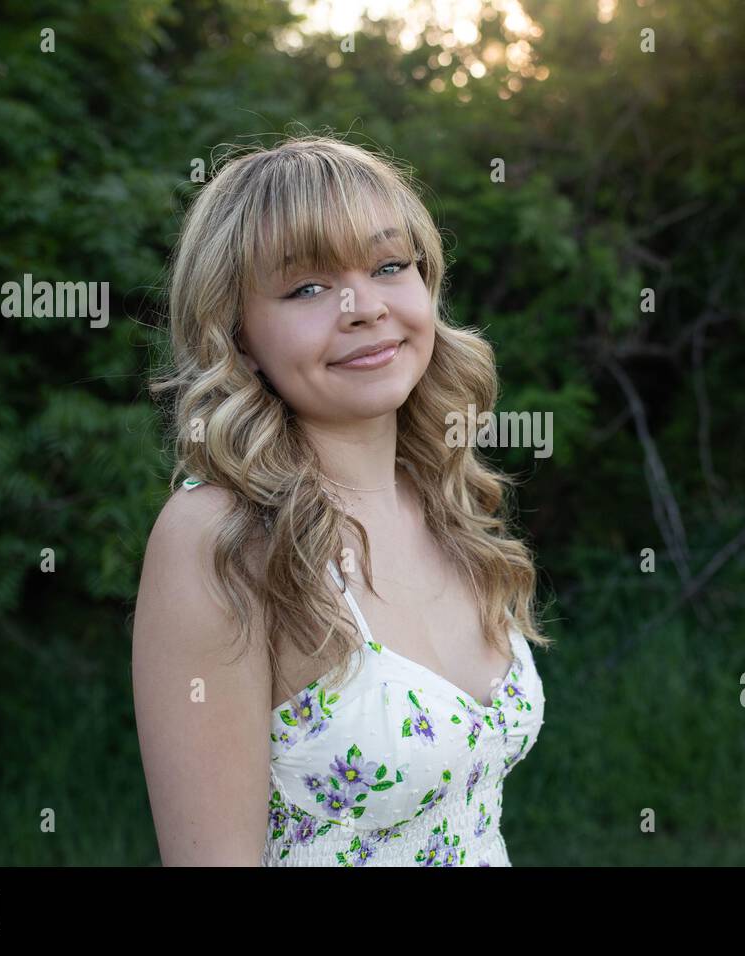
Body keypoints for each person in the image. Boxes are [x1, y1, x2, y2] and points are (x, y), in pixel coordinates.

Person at [132, 133, 549, 866]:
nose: (363, 307)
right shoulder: (219, 537)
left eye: (390, 266)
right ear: (239, 338)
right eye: (307, 288)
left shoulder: (444, 498)